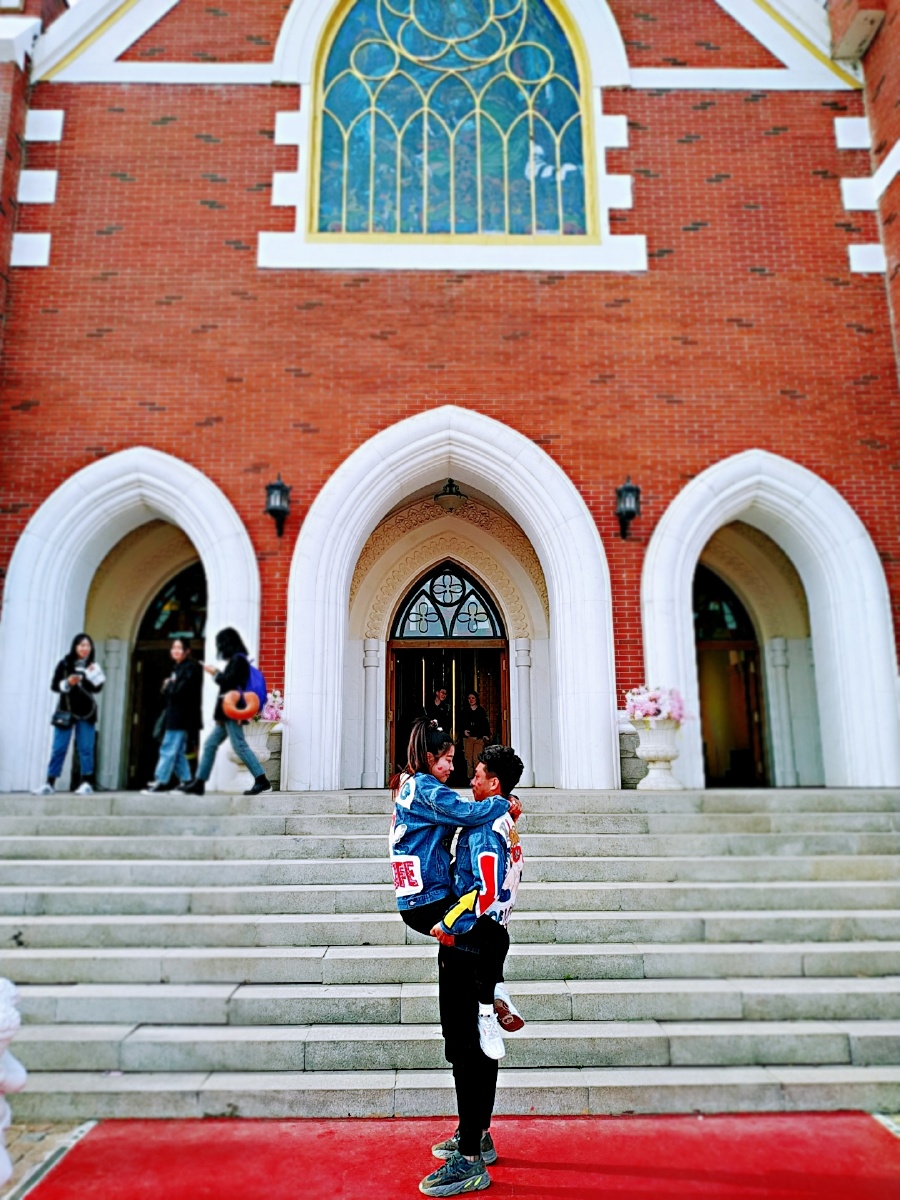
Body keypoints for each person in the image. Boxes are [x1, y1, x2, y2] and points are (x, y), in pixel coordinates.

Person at [422, 745, 526, 1198]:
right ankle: (477, 1134)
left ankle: (468, 1160)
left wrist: (449, 924)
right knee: (478, 1043)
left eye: (479, 774)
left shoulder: (485, 829)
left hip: (468, 943)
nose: (472, 780)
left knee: (466, 1047)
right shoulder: (502, 821)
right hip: (487, 940)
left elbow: (484, 889)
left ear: (494, 783)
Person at [181, 627, 271, 797]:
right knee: (210, 744)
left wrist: (215, 673)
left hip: (232, 711)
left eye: (221, 644)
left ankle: (261, 779)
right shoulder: (237, 661)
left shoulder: (238, 661)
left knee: (239, 746)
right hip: (227, 713)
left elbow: (229, 683)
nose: (220, 648)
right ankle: (199, 783)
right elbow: (230, 686)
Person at [34, 633, 105, 796]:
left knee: (86, 749)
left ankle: (86, 782)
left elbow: (97, 688)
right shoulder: (65, 664)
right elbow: (54, 686)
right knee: (59, 748)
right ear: (75, 646)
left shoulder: (93, 666)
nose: (85, 649)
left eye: (88, 645)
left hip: (86, 713)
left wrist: (90, 676)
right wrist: (68, 682)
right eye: (81, 645)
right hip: (66, 711)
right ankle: (50, 783)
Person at [141, 636, 203, 795]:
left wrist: (168, 686)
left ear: (187, 651)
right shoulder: (178, 668)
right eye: (173, 647)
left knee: (168, 747)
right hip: (175, 714)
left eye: (179, 648)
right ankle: (186, 781)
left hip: (181, 715)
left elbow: (178, 691)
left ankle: (161, 780)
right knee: (178, 751)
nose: (175, 651)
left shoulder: (189, 668)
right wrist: (169, 686)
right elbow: (171, 691)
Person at [461, 691, 491, 779]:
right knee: (468, 759)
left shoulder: (481, 711)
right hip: (468, 738)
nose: (471, 700)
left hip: (479, 738)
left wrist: (486, 734)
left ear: (476, 699)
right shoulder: (464, 711)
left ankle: (477, 778)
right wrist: (463, 731)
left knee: (477, 759)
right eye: (469, 698)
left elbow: (485, 724)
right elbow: (460, 724)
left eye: (473, 698)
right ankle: (470, 778)